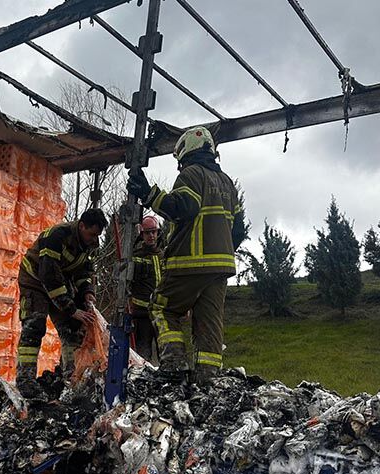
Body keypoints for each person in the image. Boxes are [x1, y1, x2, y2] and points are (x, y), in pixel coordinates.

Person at [126, 125, 241, 384]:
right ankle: (207, 381)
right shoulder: (227, 183)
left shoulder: (192, 173)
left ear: (186, 150)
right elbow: (236, 226)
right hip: (221, 265)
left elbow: (183, 208)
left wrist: (149, 194)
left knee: (161, 307)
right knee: (208, 325)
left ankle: (174, 368)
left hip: (190, 261)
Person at [15, 208, 107, 398]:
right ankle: (26, 381)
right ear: (82, 226)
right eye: (91, 234)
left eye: (97, 235)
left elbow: (85, 272)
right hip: (34, 280)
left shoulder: (89, 244)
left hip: (61, 282)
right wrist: (71, 309)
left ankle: (71, 377)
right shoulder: (56, 236)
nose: (93, 239)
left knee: (73, 329)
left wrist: (87, 292)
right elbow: (49, 275)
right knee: (35, 325)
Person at [129, 214, 163, 363]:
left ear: (157, 233)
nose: (151, 236)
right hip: (141, 314)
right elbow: (128, 284)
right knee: (143, 355)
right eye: (147, 233)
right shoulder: (135, 257)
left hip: (162, 313)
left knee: (166, 352)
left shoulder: (164, 256)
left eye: (153, 232)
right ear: (142, 235)